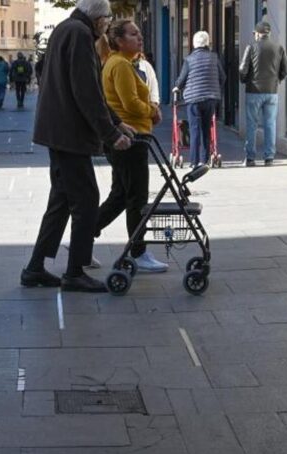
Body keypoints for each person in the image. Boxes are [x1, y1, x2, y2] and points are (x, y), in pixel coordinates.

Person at [24, 0, 132, 293]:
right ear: (98, 18)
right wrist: (111, 134)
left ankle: (34, 268)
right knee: (86, 200)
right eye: (108, 20)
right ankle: (75, 271)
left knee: (61, 201)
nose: (108, 25)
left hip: (57, 131)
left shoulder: (65, 29)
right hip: (68, 134)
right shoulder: (81, 35)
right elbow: (86, 90)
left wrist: (116, 121)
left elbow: (88, 89)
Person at [96, 20, 168, 273]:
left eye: (139, 34)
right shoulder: (122, 65)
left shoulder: (115, 63)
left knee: (120, 195)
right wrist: (153, 110)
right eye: (133, 34)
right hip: (132, 138)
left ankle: (83, 236)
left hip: (128, 137)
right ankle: (138, 252)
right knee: (137, 197)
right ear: (119, 41)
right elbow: (131, 103)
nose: (140, 38)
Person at [239, 21, 287, 167]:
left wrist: (244, 81)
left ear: (257, 33)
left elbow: (243, 70)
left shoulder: (251, 47)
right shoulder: (279, 47)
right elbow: (286, 71)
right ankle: (269, 157)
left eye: (255, 33)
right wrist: (276, 80)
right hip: (272, 91)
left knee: (252, 124)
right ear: (268, 34)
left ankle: (250, 158)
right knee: (270, 124)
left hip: (254, 90)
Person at [173, 31, 225, 168]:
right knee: (206, 128)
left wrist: (176, 87)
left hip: (194, 99)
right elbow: (222, 77)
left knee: (194, 129)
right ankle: (205, 160)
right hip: (211, 98)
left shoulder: (189, 59)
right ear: (207, 43)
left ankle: (194, 161)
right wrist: (215, 87)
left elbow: (182, 79)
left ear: (194, 44)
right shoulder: (214, 57)